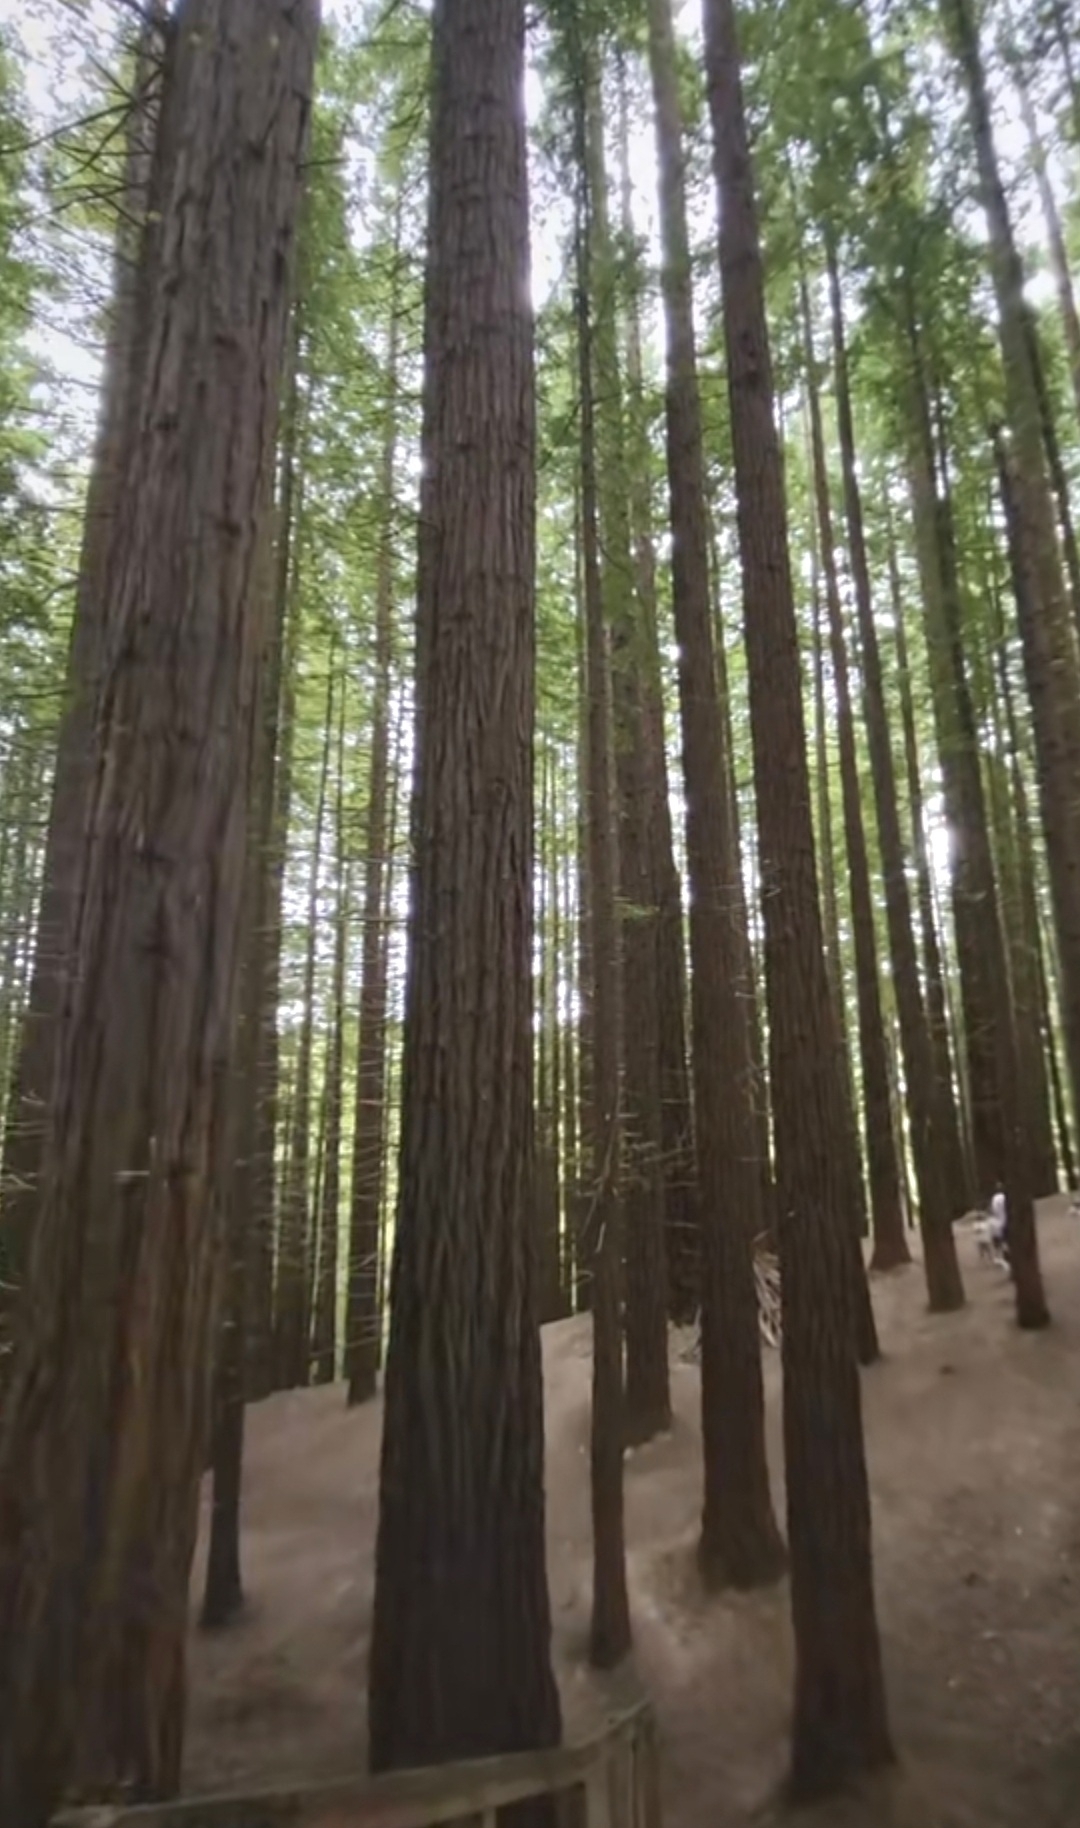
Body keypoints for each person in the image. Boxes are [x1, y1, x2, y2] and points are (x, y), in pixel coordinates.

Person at [990, 1186, 1009, 1267]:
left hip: (999, 1223)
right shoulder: (1005, 1197)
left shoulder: (995, 1199)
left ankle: (1003, 1255)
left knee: (1001, 1241)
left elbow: (994, 1210)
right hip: (1007, 1220)